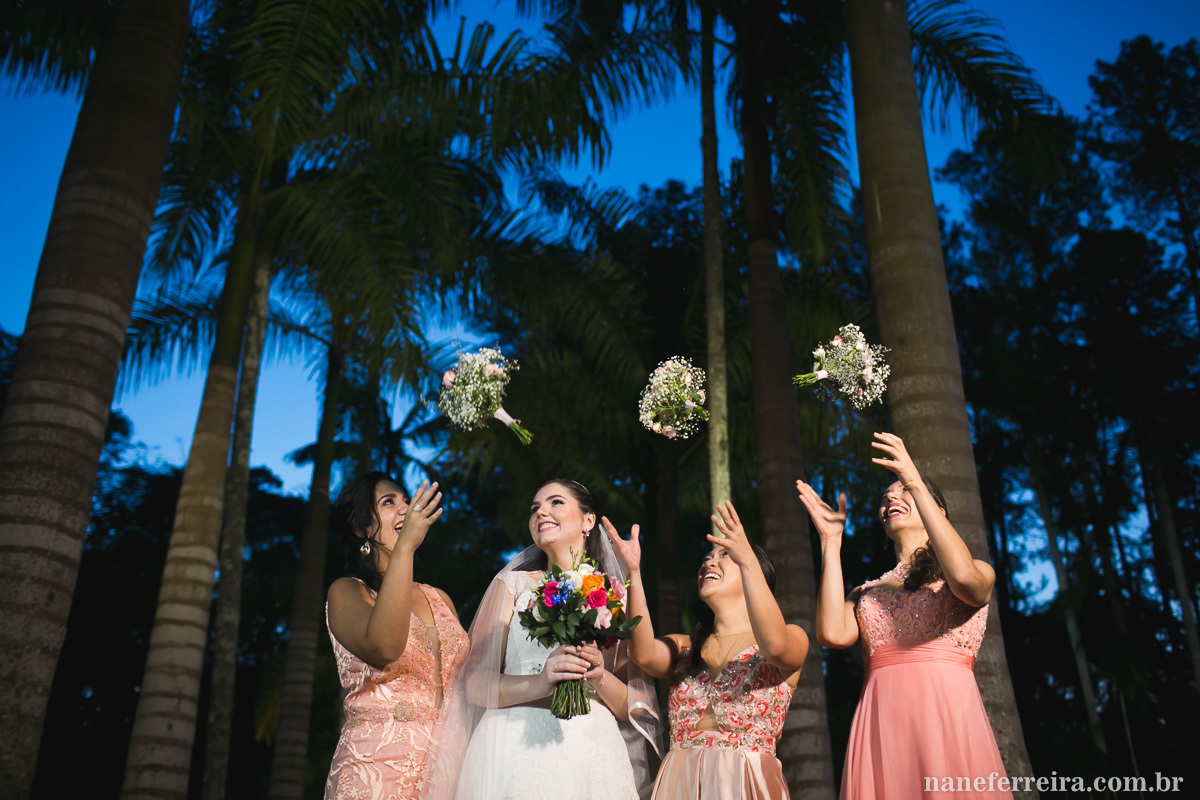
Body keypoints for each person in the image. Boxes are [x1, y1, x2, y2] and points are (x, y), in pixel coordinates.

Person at [796, 432, 1011, 800]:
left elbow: (964, 580)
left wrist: (913, 477)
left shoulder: (976, 569)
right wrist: (831, 542)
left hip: (945, 711)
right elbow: (832, 633)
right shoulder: (866, 592)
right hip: (882, 719)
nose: (891, 499)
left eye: (904, 492)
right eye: (886, 498)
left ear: (936, 510)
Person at [437, 478, 662, 800]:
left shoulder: (614, 596)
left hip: (591, 748)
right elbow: (474, 684)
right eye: (535, 508)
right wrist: (539, 682)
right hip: (512, 743)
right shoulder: (512, 586)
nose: (541, 511)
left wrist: (598, 676)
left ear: (588, 520)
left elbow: (633, 706)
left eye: (555, 502)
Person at [604, 501, 809, 800]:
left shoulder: (793, 636)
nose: (709, 563)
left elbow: (777, 647)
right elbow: (644, 654)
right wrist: (633, 572)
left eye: (725, 555)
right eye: (707, 558)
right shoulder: (685, 647)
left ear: (756, 572)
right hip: (681, 782)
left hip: (744, 783)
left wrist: (747, 558)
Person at [323, 473, 469, 800]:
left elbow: (471, 686)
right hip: (378, 769)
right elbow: (385, 645)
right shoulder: (347, 592)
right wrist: (404, 549)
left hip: (452, 772)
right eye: (389, 503)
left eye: (407, 500)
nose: (406, 508)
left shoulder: (440, 599)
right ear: (362, 528)